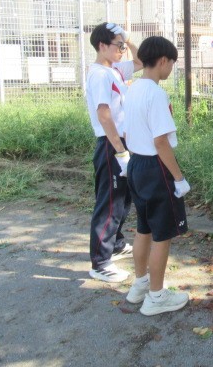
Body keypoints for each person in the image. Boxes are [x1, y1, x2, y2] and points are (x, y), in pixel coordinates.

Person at [123, 36, 191, 316]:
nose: (172, 68)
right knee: (162, 234)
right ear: (163, 60)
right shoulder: (155, 93)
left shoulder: (133, 89)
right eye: (172, 63)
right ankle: (156, 296)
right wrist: (178, 178)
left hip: (136, 165)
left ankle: (140, 285)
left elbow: (128, 131)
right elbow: (161, 141)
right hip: (155, 168)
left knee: (144, 229)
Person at [86, 22, 143, 283]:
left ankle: (116, 243)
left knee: (124, 196)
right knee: (110, 202)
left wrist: (127, 38)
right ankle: (100, 262)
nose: (122, 50)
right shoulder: (100, 74)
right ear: (102, 46)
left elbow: (140, 61)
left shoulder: (115, 69)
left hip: (121, 143)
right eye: (118, 46)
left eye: (123, 46)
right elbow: (104, 114)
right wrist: (120, 151)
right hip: (112, 144)